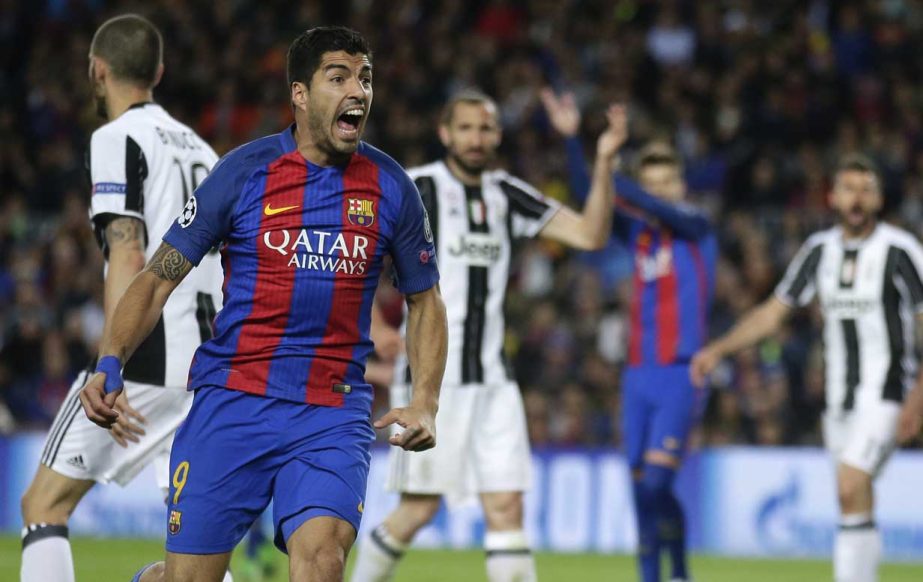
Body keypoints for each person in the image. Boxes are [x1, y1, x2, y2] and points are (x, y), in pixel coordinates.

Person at [79, 26, 448, 582]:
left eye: (366, 78)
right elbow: (157, 278)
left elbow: (425, 299)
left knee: (322, 562)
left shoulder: (391, 186)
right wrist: (110, 360)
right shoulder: (244, 173)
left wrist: (425, 401)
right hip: (234, 400)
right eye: (339, 77)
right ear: (299, 94)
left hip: (332, 411)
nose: (359, 91)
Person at [350, 89, 625, 582]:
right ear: (445, 133)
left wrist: (602, 161)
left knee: (507, 507)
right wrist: (373, 323)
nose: (476, 139)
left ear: (498, 135)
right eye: (466, 128)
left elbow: (590, 235)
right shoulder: (415, 188)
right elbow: (359, 254)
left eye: (486, 129)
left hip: (496, 380)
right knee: (417, 512)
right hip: (433, 381)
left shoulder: (506, 193)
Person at [19, 14, 224, 582]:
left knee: (43, 506)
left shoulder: (115, 138)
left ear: (97, 70)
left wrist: (112, 361)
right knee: (192, 553)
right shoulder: (204, 151)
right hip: (208, 363)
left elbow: (128, 252)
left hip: (147, 352)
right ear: (157, 72)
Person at [691, 155, 923, 582]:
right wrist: (719, 349)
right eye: (848, 188)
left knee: (849, 485)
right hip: (839, 399)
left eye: (866, 189)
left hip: (888, 390)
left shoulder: (901, 252)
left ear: (879, 198)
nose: (857, 198)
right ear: (832, 197)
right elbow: (772, 313)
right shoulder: (819, 251)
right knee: (854, 500)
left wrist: (918, 396)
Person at [543, 89, 716, 582]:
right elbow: (587, 191)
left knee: (657, 483)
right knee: (641, 488)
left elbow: (631, 196)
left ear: (682, 184)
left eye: (668, 182)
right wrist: (578, 142)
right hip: (637, 376)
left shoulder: (697, 226)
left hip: (681, 372)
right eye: (652, 183)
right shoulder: (638, 235)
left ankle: (678, 571)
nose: (660, 191)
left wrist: (614, 168)